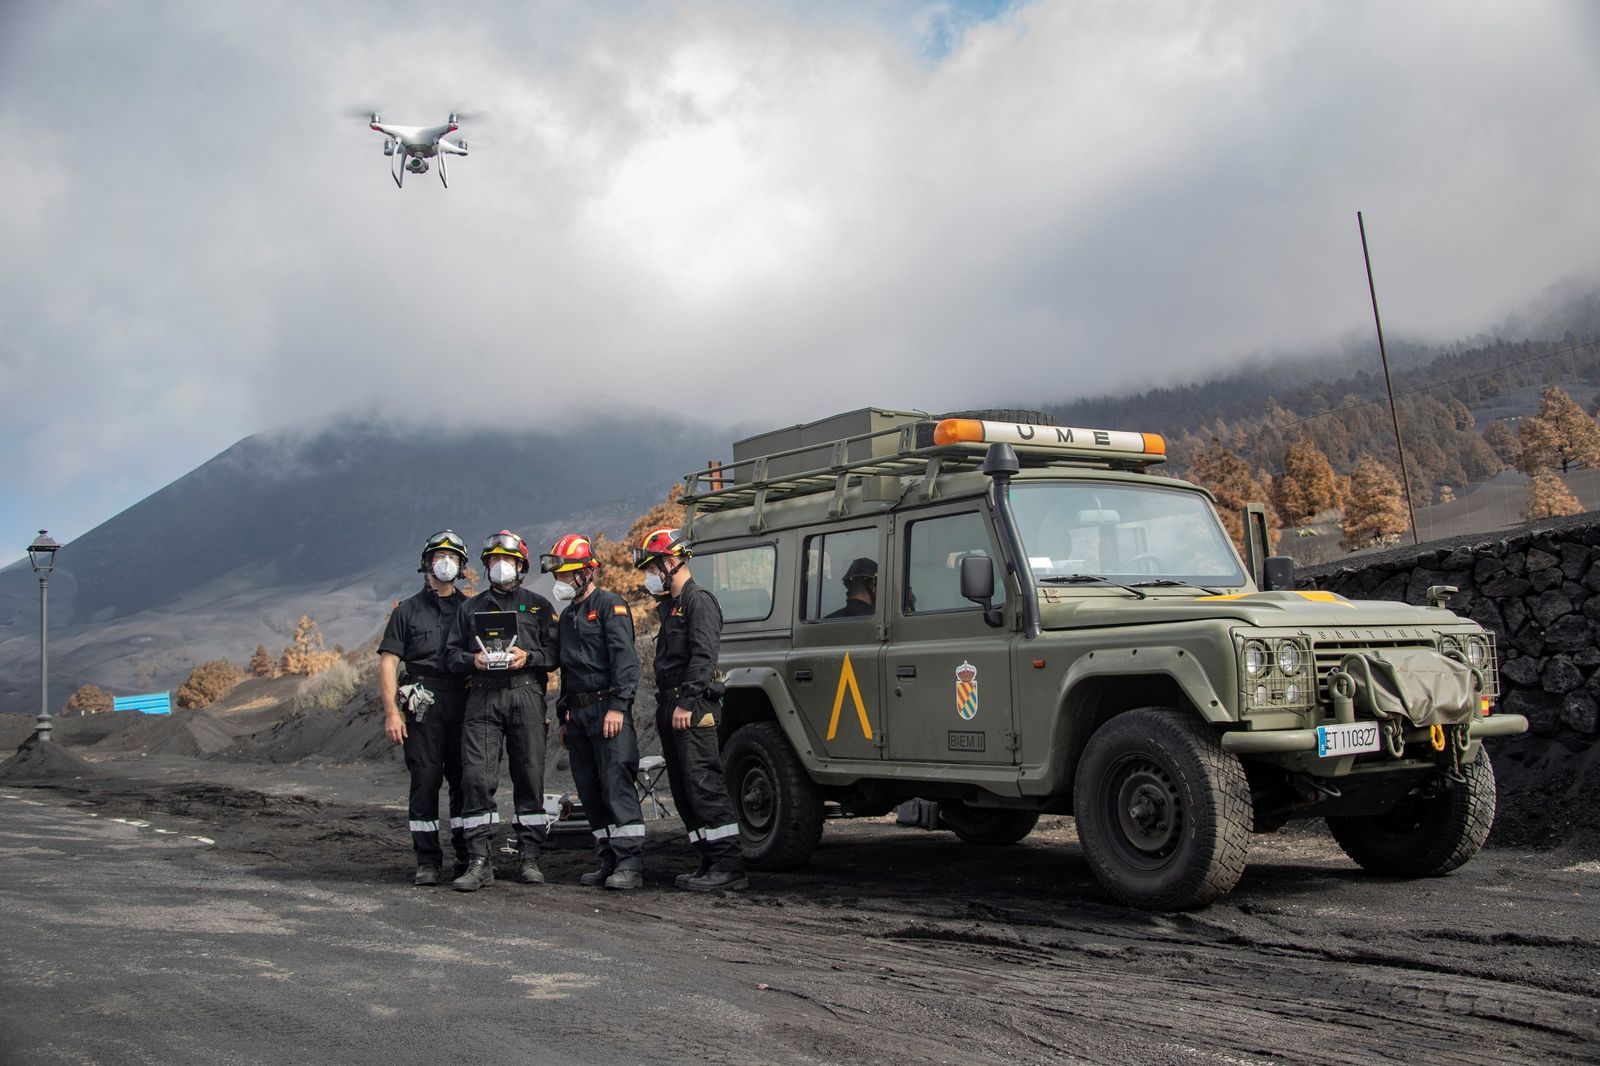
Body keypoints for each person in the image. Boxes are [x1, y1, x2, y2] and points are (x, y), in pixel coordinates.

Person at [632, 527, 747, 892]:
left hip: (692, 707)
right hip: (672, 706)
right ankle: (708, 860)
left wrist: (686, 701)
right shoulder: (672, 607)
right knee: (683, 790)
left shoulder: (700, 602)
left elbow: (703, 656)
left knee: (704, 784)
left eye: (653, 567)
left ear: (671, 562)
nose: (650, 576)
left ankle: (729, 866)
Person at [445, 530, 558, 892]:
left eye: (506, 561)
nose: (499, 566)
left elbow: (556, 654)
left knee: (530, 777)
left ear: (521, 566)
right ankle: (479, 860)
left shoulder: (540, 606)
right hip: (481, 697)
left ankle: (529, 858)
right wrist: (471, 660)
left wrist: (531, 657)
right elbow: (450, 657)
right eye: (493, 561)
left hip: (525, 694)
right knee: (476, 777)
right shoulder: (469, 608)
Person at [541, 534, 645, 891]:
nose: (561, 582)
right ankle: (608, 858)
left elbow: (625, 662)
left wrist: (619, 707)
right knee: (590, 789)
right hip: (579, 715)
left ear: (586, 572)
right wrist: (564, 716)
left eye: (567, 575)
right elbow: (566, 672)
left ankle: (629, 862)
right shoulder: (567, 617)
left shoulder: (610, 607)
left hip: (608, 710)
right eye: (559, 576)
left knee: (616, 785)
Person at [378, 530, 471, 886]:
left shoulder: (470, 608)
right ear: (426, 564)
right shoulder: (406, 612)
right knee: (425, 781)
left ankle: (467, 858)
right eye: (438, 556)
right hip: (423, 707)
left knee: (465, 781)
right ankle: (428, 861)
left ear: (461, 566)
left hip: (463, 704)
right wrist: (391, 713)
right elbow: (388, 663)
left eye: (452, 557)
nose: (445, 563)